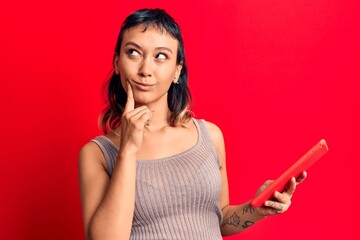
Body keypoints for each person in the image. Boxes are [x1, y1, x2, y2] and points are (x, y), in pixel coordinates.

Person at [78, 8, 307, 240]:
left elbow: (218, 218)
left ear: (177, 71)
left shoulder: (209, 136)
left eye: (160, 56)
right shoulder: (97, 154)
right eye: (134, 52)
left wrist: (256, 210)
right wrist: (127, 151)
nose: (145, 70)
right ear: (117, 62)